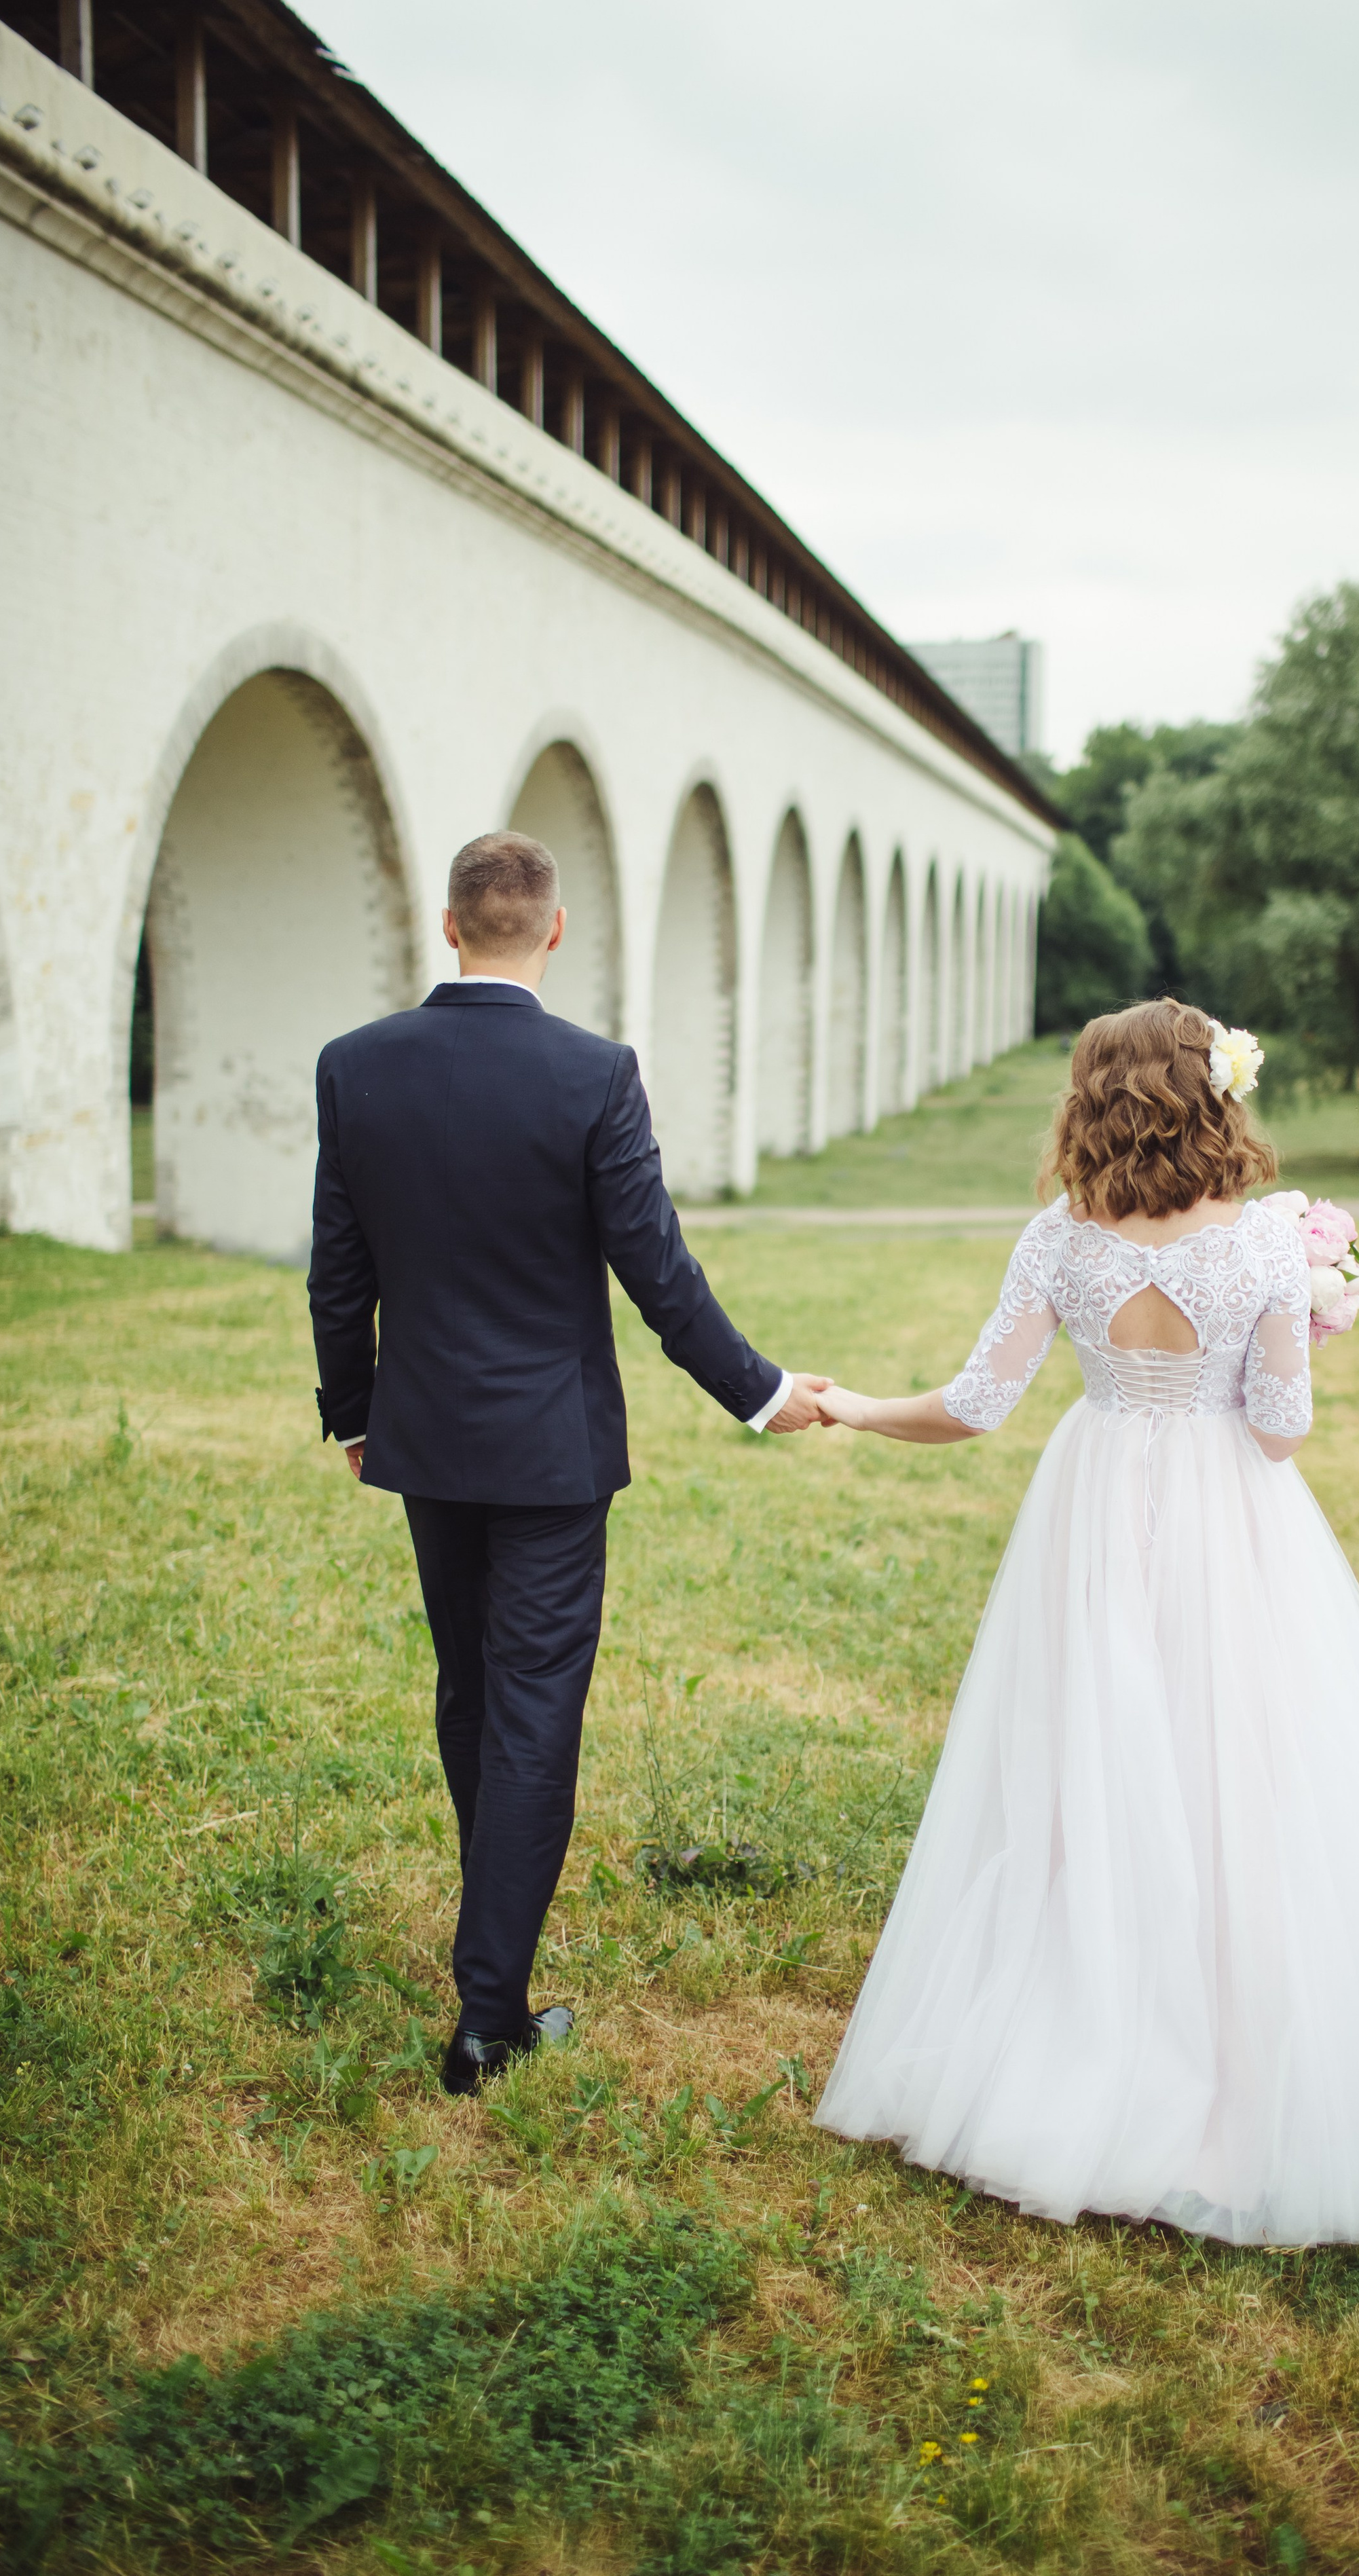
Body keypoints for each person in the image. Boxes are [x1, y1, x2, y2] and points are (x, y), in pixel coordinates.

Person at [810, 998, 1359, 2245]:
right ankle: (1238, 2064)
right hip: (1232, 1518)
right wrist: (1307, 1314)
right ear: (1212, 1090)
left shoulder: (1060, 1240)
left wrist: (850, 1406)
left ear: (1093, 1097)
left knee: (1090, 1760)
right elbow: (1281, 1429)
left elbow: (973, 1405)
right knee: (1245, 1766)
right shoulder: (1269, 1244)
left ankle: (1079, 2032)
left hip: (1098, 1500)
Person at [308, 831, 825, 2097]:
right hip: (550, 1453)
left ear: (448, 928)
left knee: (472, 1695)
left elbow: (339, 1268)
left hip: (423, 1439)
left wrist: (352, 1412)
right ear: (551, 932)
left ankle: (494, 1961)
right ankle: (489, 2017)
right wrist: (761, 1394)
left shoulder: (355, 1067)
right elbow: (657, 1272)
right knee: (530, 1707)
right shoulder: (595, 1075)